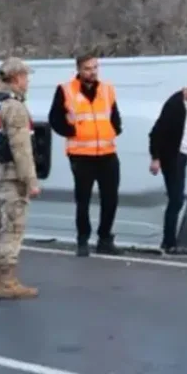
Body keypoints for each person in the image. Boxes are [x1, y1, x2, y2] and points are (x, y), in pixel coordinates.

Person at [0, 58, 41, 299]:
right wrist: (31, 181)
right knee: (12, 227)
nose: (27, 82)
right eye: (25, 77)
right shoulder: (14, 107)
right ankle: (8, 282)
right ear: (15, 78)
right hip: (12, 175)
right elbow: (21, 149)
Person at [48, 53, 123, 257]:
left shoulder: (107, 89)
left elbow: (114, 115)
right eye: (88, 68)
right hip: (81, 154)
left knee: (111, 199)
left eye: (95, 67)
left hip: (107, 153)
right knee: (83, 200)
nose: (92, 72)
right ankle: (83, 240)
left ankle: (105, 239)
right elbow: (54, 118)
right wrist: (71, 130)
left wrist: (115, 129)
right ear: (79, 70)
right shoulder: (66, 90)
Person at [148, 74, 187, 253]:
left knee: (177, 199)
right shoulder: (175, 105)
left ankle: (170, 241)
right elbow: (157, 132)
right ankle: (168, 241)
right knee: (176, 199)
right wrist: (156, 157)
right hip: (173, 157)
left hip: (181, 156)